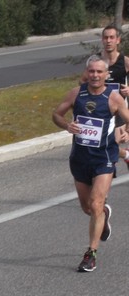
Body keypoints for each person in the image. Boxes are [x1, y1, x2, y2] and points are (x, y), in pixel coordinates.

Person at [52, 55, 129, 272]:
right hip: (79, 158)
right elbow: (56, 114)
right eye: (91, 72)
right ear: (87, 74)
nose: (95, 75)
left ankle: (91, 253)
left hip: (104, 158)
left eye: (99, 72)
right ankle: (103, 213)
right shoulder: (77, 94)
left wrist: (125, 135)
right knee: (88, 208)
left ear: (106, 75)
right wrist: (67, 126)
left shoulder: (113, 98)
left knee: (95, 204)